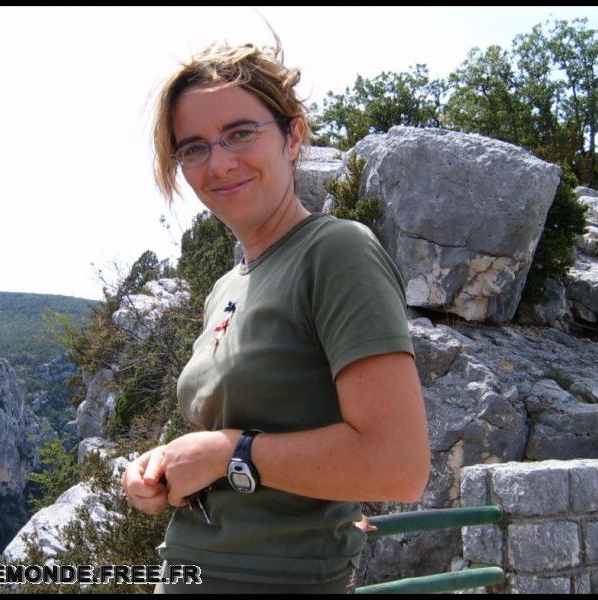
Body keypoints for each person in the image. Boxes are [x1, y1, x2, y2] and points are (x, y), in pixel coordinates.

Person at [121, 31, 431, 594]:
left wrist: (226, 453)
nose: (218, 162)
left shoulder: (336, 252)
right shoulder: (228, 284)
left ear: (292, 136)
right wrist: (164, 467)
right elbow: (245, 429)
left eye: (240, 132)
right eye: (193, 146)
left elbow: (399, 465)